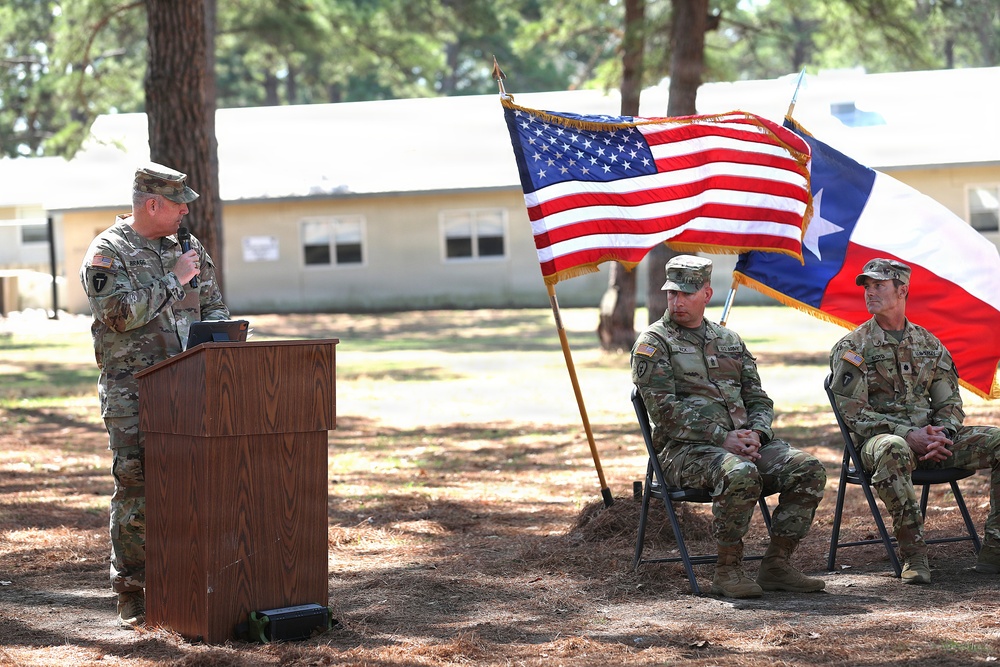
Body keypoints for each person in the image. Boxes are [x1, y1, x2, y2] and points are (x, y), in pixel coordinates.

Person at [80, 163, 230, 627]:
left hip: (190, 388)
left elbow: (214, 309)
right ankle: (133, 592)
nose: (186, 210)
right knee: (139, 491)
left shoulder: (185, 247)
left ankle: (188, 583)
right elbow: (120, 316)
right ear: (152, 204)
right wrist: (174, 280)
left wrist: (230, 350)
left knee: (195, 487)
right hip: (134, 393)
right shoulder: (108, 251)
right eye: (179, 202)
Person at [631, 255, 827, 598]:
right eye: (672, 293)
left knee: (808, 468)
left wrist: (757, 434)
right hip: (683, 453)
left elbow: (758, 399)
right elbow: (664, 412)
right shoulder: (654, 343)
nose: (677, 301)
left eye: (687, 293)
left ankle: (777, 564)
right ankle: (728, 570)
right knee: (739, 473)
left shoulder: (730, 341)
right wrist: (724, 438)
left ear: (706, 294)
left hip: (742, 445)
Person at [829, 257, 1000, 584]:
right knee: (893, 447)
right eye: (867, 286)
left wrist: (943, 434)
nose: (870, 292)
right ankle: (914, 555)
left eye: (879, 285)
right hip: (880, 444)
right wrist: (909, 434)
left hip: (933, 442)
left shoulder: (928, 344)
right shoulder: (853, 347)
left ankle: (995, 548)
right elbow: (854, 415)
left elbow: (949, 401)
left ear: (902, 290)